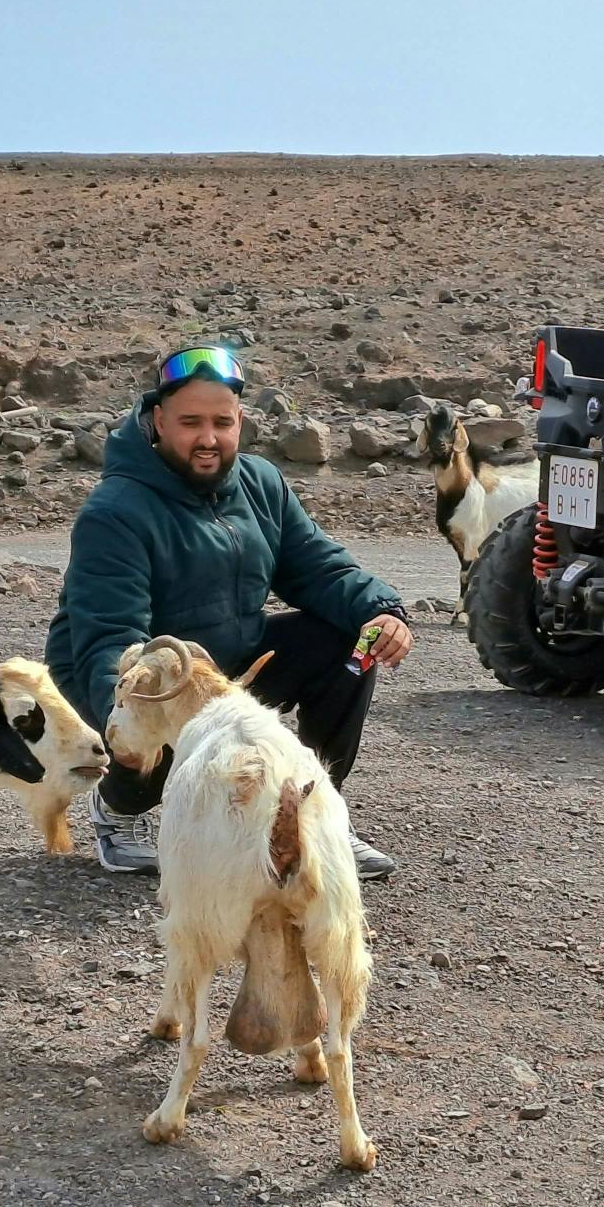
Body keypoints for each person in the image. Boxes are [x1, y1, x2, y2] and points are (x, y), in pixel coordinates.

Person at [45, 344, 412, 877]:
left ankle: (311, 815)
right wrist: (118, 718)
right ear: (158, 422)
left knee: (346, 641)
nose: (208, 438)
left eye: (222, 421)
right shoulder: (116, 511)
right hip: (127, 673)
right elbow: (109, 636)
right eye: (190, 422)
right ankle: (120, 810)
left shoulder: (261, 484)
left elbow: (319, 570)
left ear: (240, 421)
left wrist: (382, 610)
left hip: (228, 668)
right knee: (147, 713)